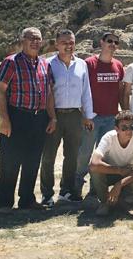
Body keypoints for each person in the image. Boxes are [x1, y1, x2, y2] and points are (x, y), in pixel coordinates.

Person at [0, 27, 55, 212]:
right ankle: (4, 203)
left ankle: (27, 199)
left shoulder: (45, 64)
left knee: (32, 160)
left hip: (39, 118)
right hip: (16, 116)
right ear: (23, 40)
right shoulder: (11, 62)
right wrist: (5, 119)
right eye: (31, 38)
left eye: (38, 39)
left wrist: (53, 117)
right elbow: (0, 92)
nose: (35, 42)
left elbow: (50, 93)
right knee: (10, 161)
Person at [41, 29, 95, 206]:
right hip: (53, 115)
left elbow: (86, 91)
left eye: (71, 42)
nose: (68, 45)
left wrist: (88, 115)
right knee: (48, 156)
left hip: (74, 115)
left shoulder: (81, 65)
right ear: (56, 44)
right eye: (64, 42)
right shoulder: (47, 64)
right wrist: (48, 116)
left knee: (71, 156)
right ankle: (47, 194)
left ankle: (66, 191)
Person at [76, 31, 125, 199]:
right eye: (109, 41)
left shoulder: (118, 65)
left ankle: (95, 189)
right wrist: (84, 115)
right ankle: (75, 187)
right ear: (101, 42)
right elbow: (81, 90)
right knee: (85, 153)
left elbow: (120, 91)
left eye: (115, 42)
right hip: (92, 116)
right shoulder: (89, 64)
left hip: (111, 117)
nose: (112, 44)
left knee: (103, 154)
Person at [89, 110, 133, 216]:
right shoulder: (109, 137)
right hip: (110, 171)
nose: (128, 131)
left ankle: (120, 200)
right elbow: (94, 164)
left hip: (125, 173)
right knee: (95, 172)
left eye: (131, 127)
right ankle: (105, 202)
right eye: (124, 128)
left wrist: (119, 185)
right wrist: (118, 170)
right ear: (116, 129)